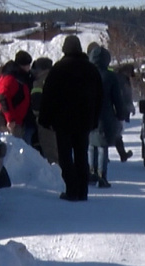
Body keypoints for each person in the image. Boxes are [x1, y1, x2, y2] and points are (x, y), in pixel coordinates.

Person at [39, 35, 103, 201]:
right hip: (84, 122)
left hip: (63, 122)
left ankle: (71, 189)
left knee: (65, 156)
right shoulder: (91, 70)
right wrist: (95, 119)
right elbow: (99, 97)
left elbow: (48, 96)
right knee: (82, 155)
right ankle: (82, 191)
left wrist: (45, 119)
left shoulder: (58, 69)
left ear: (65, 49)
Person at [88, 45, 127, 188]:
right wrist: (121, 114)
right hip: (106, 116)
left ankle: (91, 174)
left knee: (91, 145)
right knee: (103, 147)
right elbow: (117, 98)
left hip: (88, 116)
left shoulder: (86, 75)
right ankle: (102, 176)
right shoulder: (111, 77)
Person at [29, 57, 57, 163]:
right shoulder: (57, 78)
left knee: (51, 154)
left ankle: (56, 177)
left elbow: (36, 105)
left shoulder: (39, 82)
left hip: (45, 123)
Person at [0, 59, 30, 138]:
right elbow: (2, 97)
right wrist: (10, 119)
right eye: (28, 66)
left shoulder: (15, 77)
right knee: (13, 146)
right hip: (10, 124)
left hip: (15, 121)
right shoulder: (10, 78)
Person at [13, 50, 37, 146]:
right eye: (27, 65)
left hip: (24, 117)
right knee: (25, 144)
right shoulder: (21, 78)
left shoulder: (23, 76)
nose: (29, 68)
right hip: (22, 118)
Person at [113, 65, 135, 162]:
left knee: (116, 132)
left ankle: (122, 154)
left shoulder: (116, 77)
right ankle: (122, 154)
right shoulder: (122, 80)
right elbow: (126, 95)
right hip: (118, 109)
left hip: (115, 108)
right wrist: (129, 107)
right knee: (117, 132)